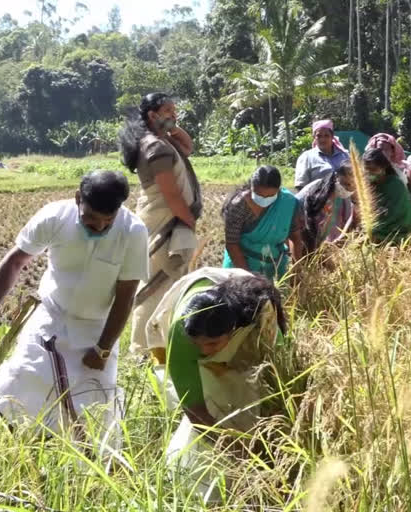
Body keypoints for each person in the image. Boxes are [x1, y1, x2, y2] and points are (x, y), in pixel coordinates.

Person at [0, 171, 148, 433]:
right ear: (78, 198)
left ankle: (87, 465)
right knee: (14, 381)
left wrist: (103, 348)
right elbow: (15, 262)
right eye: (91, 218)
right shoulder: (55, 216)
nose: (100, 227)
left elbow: (125, 298)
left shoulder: (133, 232)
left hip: (98, 329)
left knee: (95, 409)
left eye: (108, 220)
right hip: (51, 319)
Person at [143, 268, 292, 503]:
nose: (205, 351)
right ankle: (194, 492)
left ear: (233, 332)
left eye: (212, 344)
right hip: (202, 304)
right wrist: (239, 454)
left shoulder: (260, 318)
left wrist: (269, 444)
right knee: (213, 402)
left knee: (249, 393)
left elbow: (279, 377)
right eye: (199, 344)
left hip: (242, 306)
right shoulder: (182, 335)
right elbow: (195, 410)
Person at [119, 92, 202, 355]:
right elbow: (171, 195)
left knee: (170, 282)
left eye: (174, 110)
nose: (173, 114)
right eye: (168, 111)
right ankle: (143, 350)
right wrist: (189, 221)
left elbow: (188, 148)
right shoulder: (155, 147)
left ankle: (162, 344)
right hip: (162, 222)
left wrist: (172, 127)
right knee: (155, 285)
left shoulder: (163, 140)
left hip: (170, 220)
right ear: (152, 115)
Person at [222, 165, 303, 280]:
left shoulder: (288, 203)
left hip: (274, 266)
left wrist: (296, 271)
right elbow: (232, 243)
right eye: (259, 195)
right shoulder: (239, 205)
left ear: (278, 190)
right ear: (251, 188)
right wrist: (249, 278)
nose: (264, 200)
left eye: (270, 196)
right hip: (241, 266)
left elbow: (295, 237)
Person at [362, 149, 411, 244]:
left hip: (405, 233)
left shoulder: (395, 184)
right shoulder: (368, 184)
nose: (369, 173)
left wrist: (373, 231)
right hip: (381, 230)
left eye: (373, 169)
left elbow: (393, 215)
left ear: (384, 167)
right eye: (366, 169)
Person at [295, 163, 357, 253]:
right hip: (300, 238)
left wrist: (338, 240)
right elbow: (303, 224)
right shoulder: (317, 190)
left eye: (352, 186)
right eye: (346, 184)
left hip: (320, 242)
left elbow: (352, 216)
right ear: (336, 176)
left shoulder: (341, 197)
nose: (347, 189)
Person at [294, 119, 350, 190]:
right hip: (317, 199)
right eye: (319, 136)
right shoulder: (306, 157)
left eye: (326, 135)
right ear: (314, 137)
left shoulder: (345, 155)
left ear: (332, 136)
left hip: (344, 200)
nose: (323, 139)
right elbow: (300, 187)